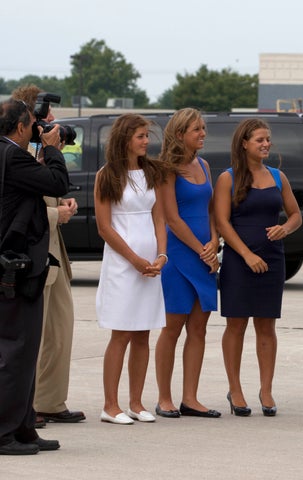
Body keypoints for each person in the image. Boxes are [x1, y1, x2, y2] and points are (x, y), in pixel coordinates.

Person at [214, 119, 302, 417]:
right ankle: (235, 389)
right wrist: (246, 254)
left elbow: (295, 216)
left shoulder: (278, 176)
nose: (266, 144)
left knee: (266, 326)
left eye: (268, 140)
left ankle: (266, 389)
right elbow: (222, 222)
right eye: (260, 140)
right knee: (236, 324)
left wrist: (285, 229)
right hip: (240, 261)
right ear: (244, 143)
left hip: (273, 260)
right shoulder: (228, 178)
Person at [11, 85, 85, 427]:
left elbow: (50, 188)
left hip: (55, 255)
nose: (53, 124)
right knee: (34, 337)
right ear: (27, 119)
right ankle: (28, 408)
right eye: (45, 117)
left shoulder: (37, 152)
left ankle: (51, 401)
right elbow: (18, 207)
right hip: (34, 257)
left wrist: (62, 206)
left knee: (59, 332)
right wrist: (58, 214)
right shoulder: (14, 155)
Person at [0, 99, 68, 454]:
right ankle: (5, 432)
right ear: (23, 127)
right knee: (16, 351)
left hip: (16, 265)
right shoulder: (13, 156)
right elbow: (58, 182)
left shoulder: (8, 155)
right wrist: (53, 149)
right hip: (15, 268)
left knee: (24, 351)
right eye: (34, 126)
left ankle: (24, 427)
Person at [95, 114, 169, 425]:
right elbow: (104, 227)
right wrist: (134, 259)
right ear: (126, 138)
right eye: (141, 136)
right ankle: (110, 406)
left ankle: (136, 403)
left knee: (143, 333)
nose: (146, 141)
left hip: (151, 265)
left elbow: (159, 219)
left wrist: (161, 255)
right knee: (122, 332)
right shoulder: (107, 175)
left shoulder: (152, 172)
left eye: (146, 136)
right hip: (123, 265)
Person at [155, 108, 221, 419]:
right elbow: (171, 218)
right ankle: (164, 398)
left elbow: (211, 211)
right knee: (172, 328)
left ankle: (191, 398)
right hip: (180, 255)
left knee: (199, 329)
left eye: (203, 128)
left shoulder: (204, 165)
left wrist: (214, 242)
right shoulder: (166, 168)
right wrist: (200, 249)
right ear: (180, 134)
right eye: (197, 129)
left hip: (204, 253)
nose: (203, 133)